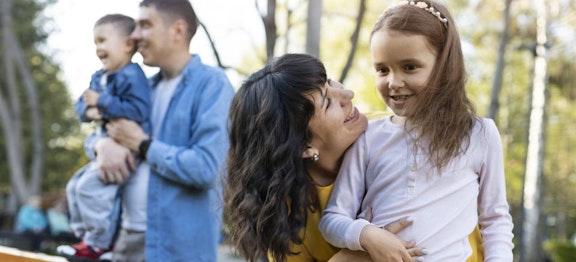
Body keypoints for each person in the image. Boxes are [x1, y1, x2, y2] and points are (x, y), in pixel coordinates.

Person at [319, 1, 514, 261]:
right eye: (382, 69)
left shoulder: (479, 133)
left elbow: (496, 219)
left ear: (444, 66)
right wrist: (365, 234)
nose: (393, 82)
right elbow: (332, 220)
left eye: (409, 67)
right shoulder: (368, 137)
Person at [226, 53, 435, 262]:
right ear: (303, 146)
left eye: (329, 82)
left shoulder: (398, 132)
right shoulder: (288, 218)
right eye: (327, 102)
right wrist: (351, 256)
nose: (347, 94)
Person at [89, 0, 235, 261]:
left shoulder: (212, 85)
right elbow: (101, 135)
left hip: (177, 251)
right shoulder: (143, 88)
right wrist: (100, 146)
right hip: (125, 242)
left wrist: (144, 145)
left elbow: (207, 168)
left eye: (144, 25)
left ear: (178, 31)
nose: (134, 35)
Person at [58, 13, 150, 261]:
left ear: (128, 45)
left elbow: (139, 110)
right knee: (74, 187)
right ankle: (87, 238)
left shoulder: (133, 75)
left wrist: (103, 102)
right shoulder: (99, 76)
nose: (98, 48)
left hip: (126, 148)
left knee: (91, 189)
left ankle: (100, 243)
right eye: (95, 42)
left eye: (103, 41)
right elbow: (81, 105)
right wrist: (90, 110)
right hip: (104, 144)